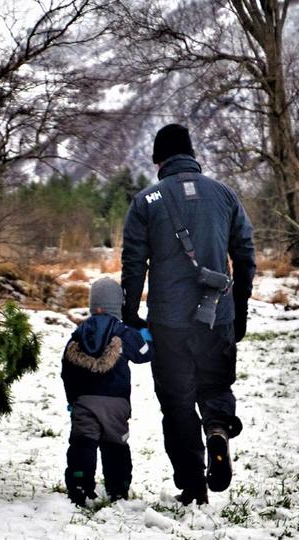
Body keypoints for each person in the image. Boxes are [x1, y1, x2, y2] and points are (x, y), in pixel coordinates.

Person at [121, 124, 256, 505]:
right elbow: (245, 257)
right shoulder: (225, 195)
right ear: (192, 154)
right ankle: (217, 429)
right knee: (215, 387)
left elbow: (133, 264)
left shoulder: (146, 201)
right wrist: (239, 310)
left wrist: (132, 314)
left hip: (169, 322)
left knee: (177, 403)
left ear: (157, 159)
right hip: (218, 316)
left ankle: (193, 486)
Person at [61, 277, 153, 506]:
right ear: (117, 306)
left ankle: (80, 485)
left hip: (84, 401)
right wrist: (146, 332)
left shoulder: (79, 333)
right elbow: (145, 353)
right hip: (116, 402)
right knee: (116, 445)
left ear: (93, 305)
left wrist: (72, 400)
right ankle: (117, 488)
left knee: (83, 443)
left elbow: (67, 370)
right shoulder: (122, 331)